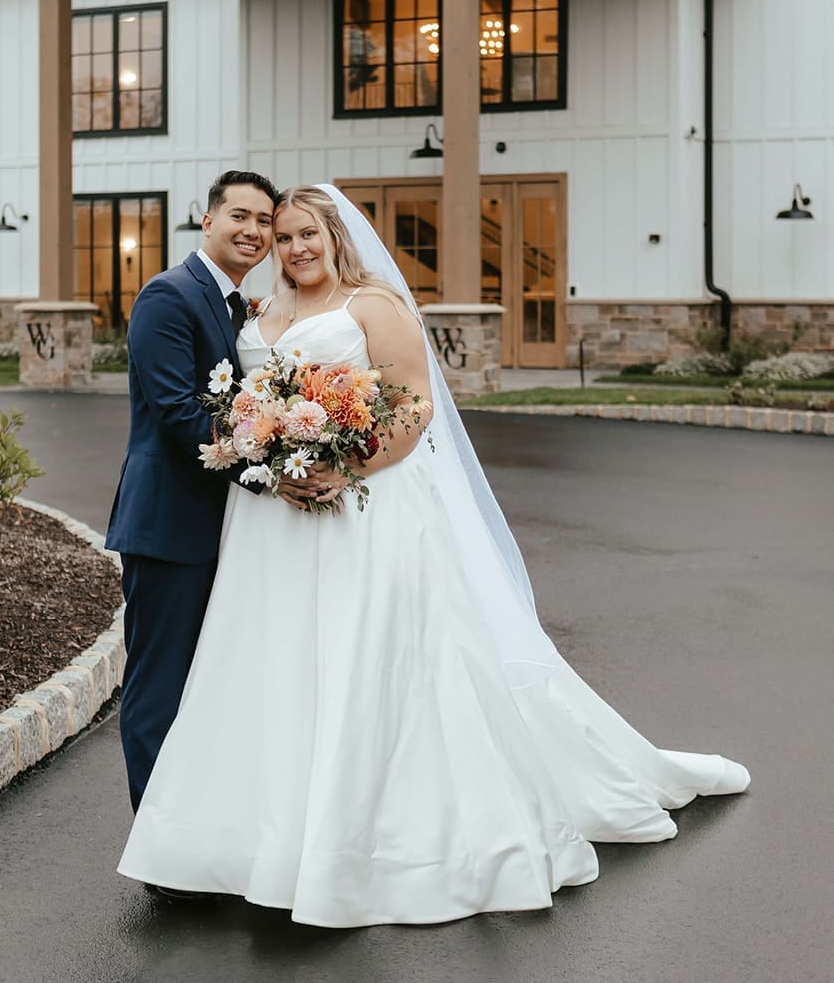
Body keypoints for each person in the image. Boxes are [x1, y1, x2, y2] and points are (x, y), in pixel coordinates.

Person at [118, 185, 750, 927]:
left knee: (367, 662)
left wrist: (343, 466)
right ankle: (256, 835)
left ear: (335, 234)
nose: (293, 247)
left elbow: (413, 403)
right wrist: (272, 457)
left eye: (303, 232)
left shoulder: (374, 303)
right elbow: (229, 406)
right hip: (271, 525)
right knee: (277, 667)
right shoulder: (261, 316)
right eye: (280, 235)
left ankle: (362, 837)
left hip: (360, 507)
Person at [104, 170, 280, 816]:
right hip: (169, 524)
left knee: (209, 682)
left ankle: (201, 825)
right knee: (158, 685)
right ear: (206, 220)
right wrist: (271, 468)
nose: (253, 231)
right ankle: (159, 840)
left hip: (221, 528)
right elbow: (178, 412)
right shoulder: (168, 294)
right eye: (240, 215)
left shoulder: (235, 304)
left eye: (264, 221)